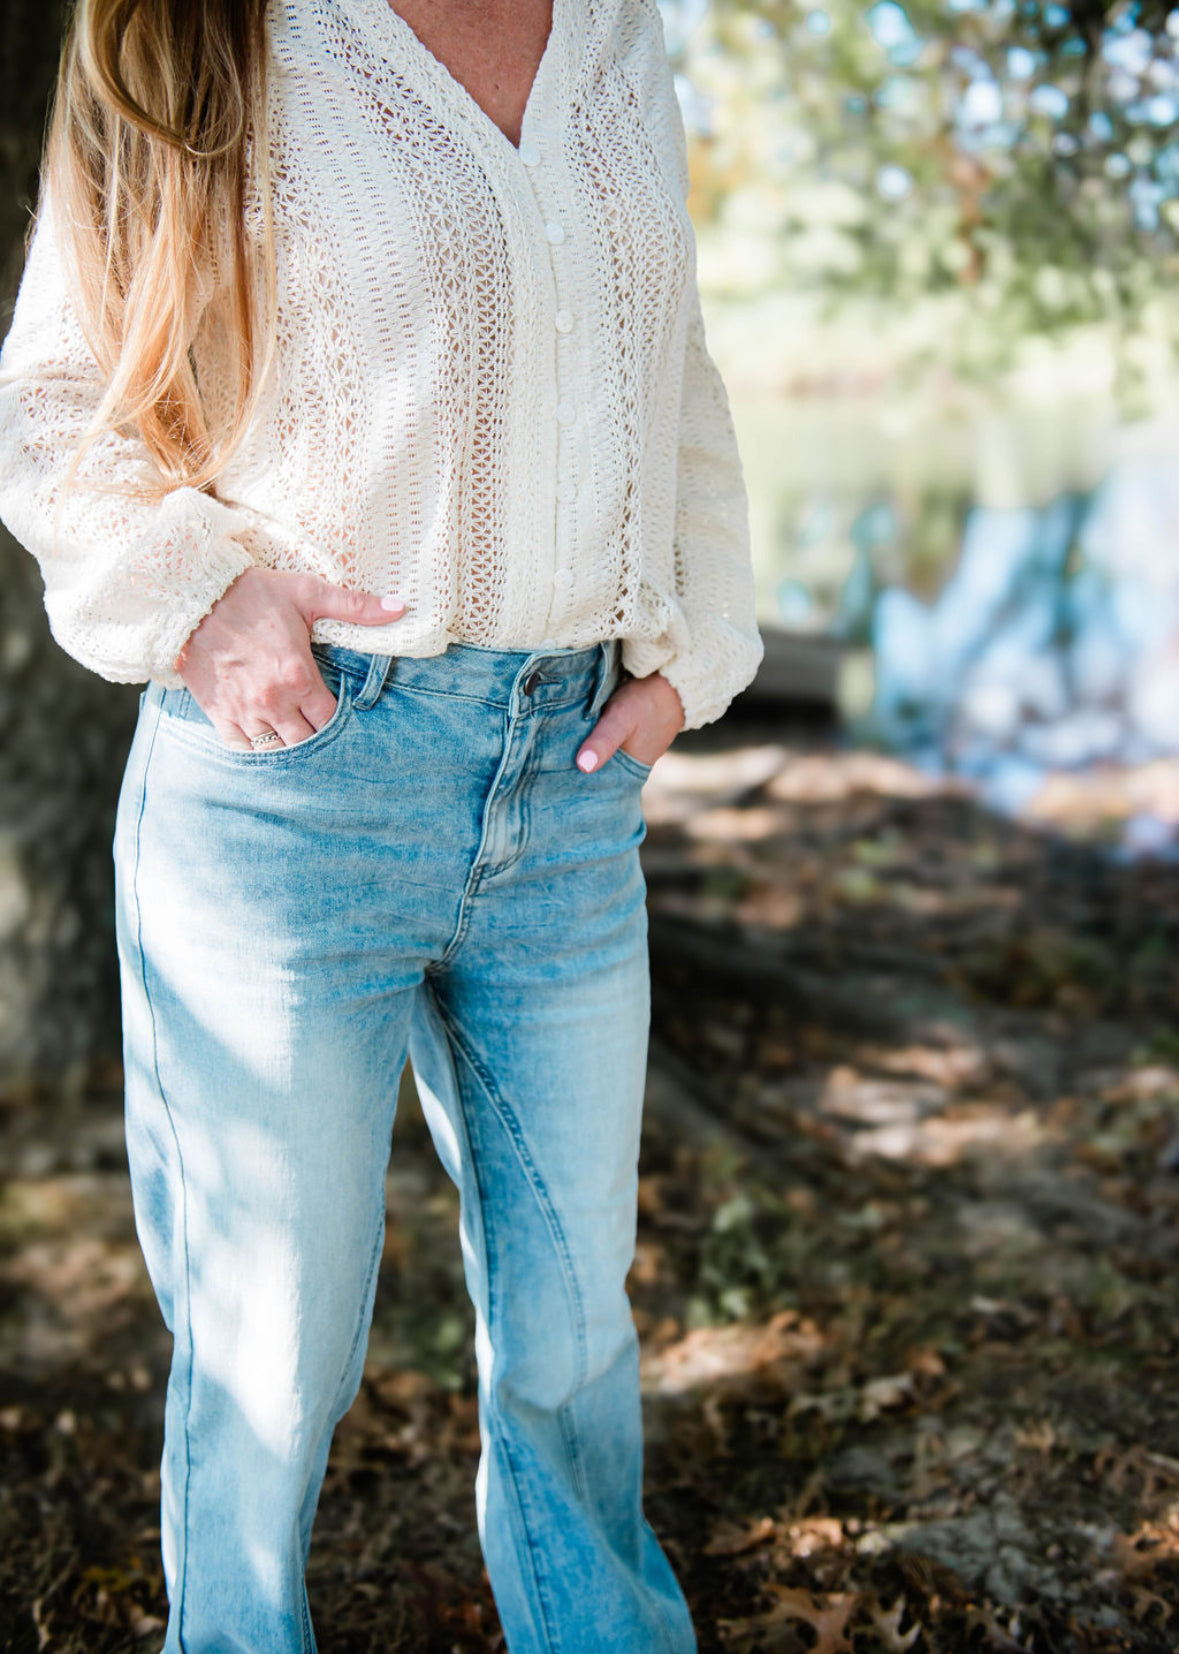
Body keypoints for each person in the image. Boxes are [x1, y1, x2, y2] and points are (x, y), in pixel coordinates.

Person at [0, 0, 763, 1647]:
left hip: (567, 793)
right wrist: (201, 595)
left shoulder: (616, 29)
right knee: (268, 1363)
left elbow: (669, 359)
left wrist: (692, 650)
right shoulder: (184, 31)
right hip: (296, 782)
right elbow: (56, 399)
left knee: (573, 1342)